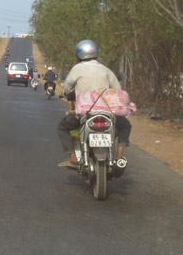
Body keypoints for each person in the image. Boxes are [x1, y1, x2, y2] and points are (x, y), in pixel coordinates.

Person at [56, 40, 131, 169]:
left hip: (86, 114)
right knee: (125, 125)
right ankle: (119, 155)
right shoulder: (105, 69)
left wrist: (67, 93)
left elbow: (67, 89)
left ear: (78, 54)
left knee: (62, 127)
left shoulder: (77, 69)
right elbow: (118, 90)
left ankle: (73, 157)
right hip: (107, 114)